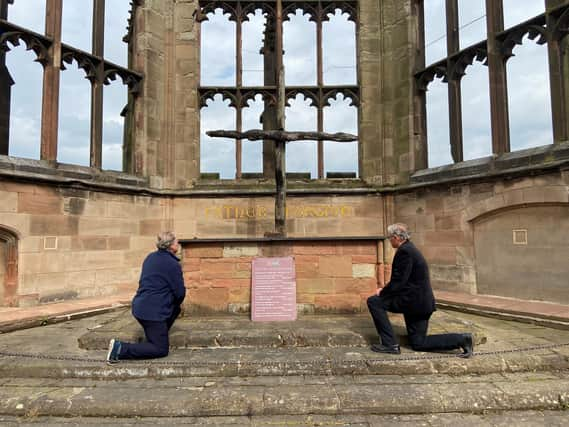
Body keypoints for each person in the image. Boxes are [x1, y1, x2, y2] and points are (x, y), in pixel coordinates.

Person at [367, 223, 473, 357]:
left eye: (390, 238)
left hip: (414, 303)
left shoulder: (405, 252)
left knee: (374, 301)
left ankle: (390, 344)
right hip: (420, 304)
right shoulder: (410, 249)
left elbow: (398, 281)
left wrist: (382, 292)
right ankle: (462, 339)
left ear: (396, 237)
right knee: (419, 343)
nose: (389, 240)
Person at [106, 231, 186, 363]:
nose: (179, 244)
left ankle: (155, 337)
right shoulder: (172, 264)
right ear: (171, 245)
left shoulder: (150, 257)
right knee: (160, 349)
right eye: (177, 242)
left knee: (174, 310)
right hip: (153, 311)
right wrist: (172, 302)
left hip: (140, 306)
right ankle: (119, 349)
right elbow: (180, 293)